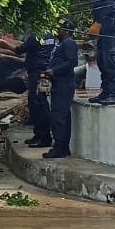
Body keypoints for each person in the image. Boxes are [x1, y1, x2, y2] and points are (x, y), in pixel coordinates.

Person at [0, 29, 56, 148]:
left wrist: (4, 44)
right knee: (38, 104)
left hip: (36, 73)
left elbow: (19, 50)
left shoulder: (36, 36)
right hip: (43, 70)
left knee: (38, 105)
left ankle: (43, 138)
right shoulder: (50, 35)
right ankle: (39, 135)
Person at [43, 17, 79, 158]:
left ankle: (61, 147)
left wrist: (54, 71)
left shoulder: (69, 43)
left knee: (59, 116)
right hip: (58, 83)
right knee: (58, 115)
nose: (56, 31)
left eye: (59, 28)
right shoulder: (61, 44)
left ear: (66, 30)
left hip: (64, 83)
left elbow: (72, 62)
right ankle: (60, 146)